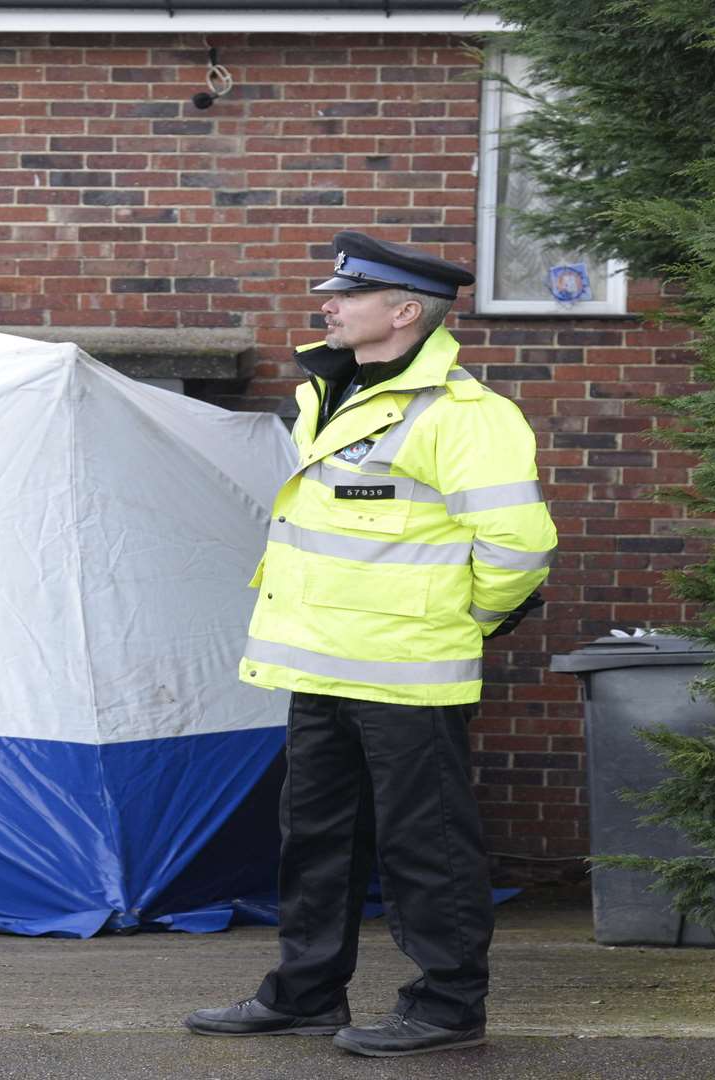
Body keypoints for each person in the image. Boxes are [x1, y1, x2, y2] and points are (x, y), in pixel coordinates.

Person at [184, 231, 557, 1058]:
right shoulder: (334, 391)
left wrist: (466, 623)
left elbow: (518, 547)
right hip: (317, 664)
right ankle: (306, 994)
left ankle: (449, 1008)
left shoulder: (466, 416)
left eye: (347, 295)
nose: (329, 305)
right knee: (313, 836)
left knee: (427, 846)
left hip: (409, 676)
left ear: (404, 311)